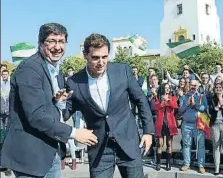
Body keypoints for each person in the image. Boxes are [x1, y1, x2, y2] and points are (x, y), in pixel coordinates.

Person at [0, 23, 97, 177]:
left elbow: (52, 111)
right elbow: (36, 116)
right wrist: (74, 133)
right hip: (31, 157)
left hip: (51, 152)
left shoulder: (56, 72)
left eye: (61, 41)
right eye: (52, 41)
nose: (57, 47)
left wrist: (58, 102)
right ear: (40, 43)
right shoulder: (29, 69)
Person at [61, 33, 154, 178]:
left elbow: (141, 100)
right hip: (99, 149)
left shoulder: (122, 71)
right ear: (85, 55)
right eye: (95, 57)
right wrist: (59, 102)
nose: (101, 62)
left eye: (105, 57)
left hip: (128, 142)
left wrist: (148, 132)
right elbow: (65, 113)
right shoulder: (74, 82)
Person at [152, 83, 178, 171]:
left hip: (170, 123)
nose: (167, 89)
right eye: (166, 88)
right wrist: (163, 102)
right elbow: (156, 108)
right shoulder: (158, 97)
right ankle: (158, 163)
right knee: (160, 144)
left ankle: (168, 163)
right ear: (163, 89)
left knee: (169, 144)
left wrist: (168, 101)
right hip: (160, 123)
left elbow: (174, 106)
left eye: (168, 88)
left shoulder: (173, 97)